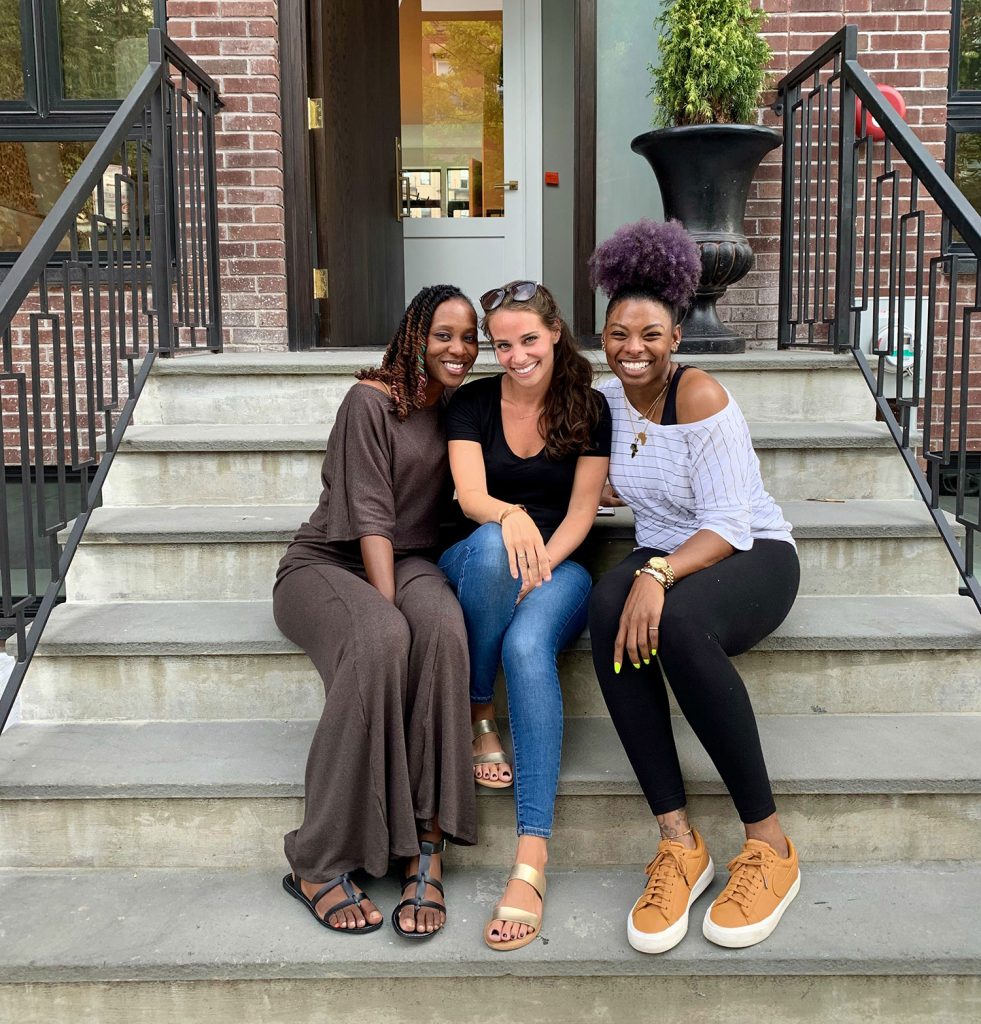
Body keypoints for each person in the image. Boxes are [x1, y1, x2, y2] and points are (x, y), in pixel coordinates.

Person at [587, 219, 801, 953]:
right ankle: (678, 842)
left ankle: (768, 845)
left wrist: (656, 573)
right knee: (603, 606)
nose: (631, 349)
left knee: (674, 625)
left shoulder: (701, 397)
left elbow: (727, 524)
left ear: (676, 335)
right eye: (617, 333)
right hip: (668, 552)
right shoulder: (605, 399)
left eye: (648, 334)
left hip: (750, 554)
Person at [272, 284, 480, 940]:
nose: (459, 348)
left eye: (469, 336)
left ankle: (426, 844)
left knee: (444, 632)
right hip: (329, 565)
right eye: (443, 333)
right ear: (414, 334)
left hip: (413, 557)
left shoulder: (459, 409)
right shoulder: (368, 400)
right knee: (382, 635)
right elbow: (368, 512)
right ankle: (316, 860)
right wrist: (385, 610)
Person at [437, 281, 611, 951]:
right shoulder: (473, 402)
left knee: (529, 647)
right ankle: (481, 711)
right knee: (488, 550)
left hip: (559, 562)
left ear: (555, 333)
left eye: (527, 341)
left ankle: (531, 858)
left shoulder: (587, 407)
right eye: (502, 344)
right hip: (480, 553)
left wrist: (538, 565)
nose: (514, 356)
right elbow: (469, 494)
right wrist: (510, 519)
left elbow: (579, 513)